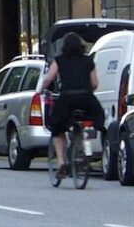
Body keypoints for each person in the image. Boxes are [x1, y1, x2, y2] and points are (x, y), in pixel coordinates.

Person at [39, 32, 105, 170]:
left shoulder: (60, 60)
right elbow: (94, 83)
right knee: (87, 120)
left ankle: (61, 161)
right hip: (87, 99)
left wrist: (40, 90)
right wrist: (87, 93)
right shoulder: (88, 61)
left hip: (67, 99)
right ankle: (81, 150)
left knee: (57, 128)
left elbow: (48, 78)